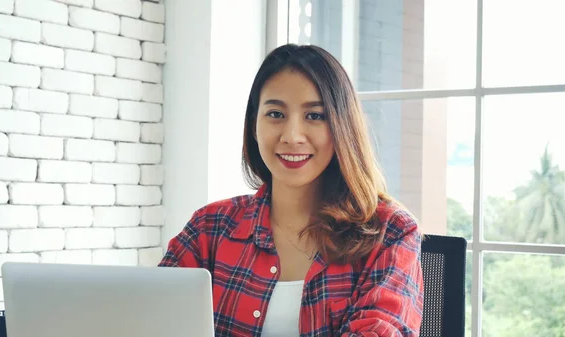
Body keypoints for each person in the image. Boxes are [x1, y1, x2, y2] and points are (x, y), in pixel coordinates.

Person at [158, 43, 423, 337]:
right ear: (253, 125)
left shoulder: (391, 232)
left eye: (314, 116)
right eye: (275, 114)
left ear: (342, 126)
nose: (292, 136)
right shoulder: (209, 228)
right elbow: (148, 315)